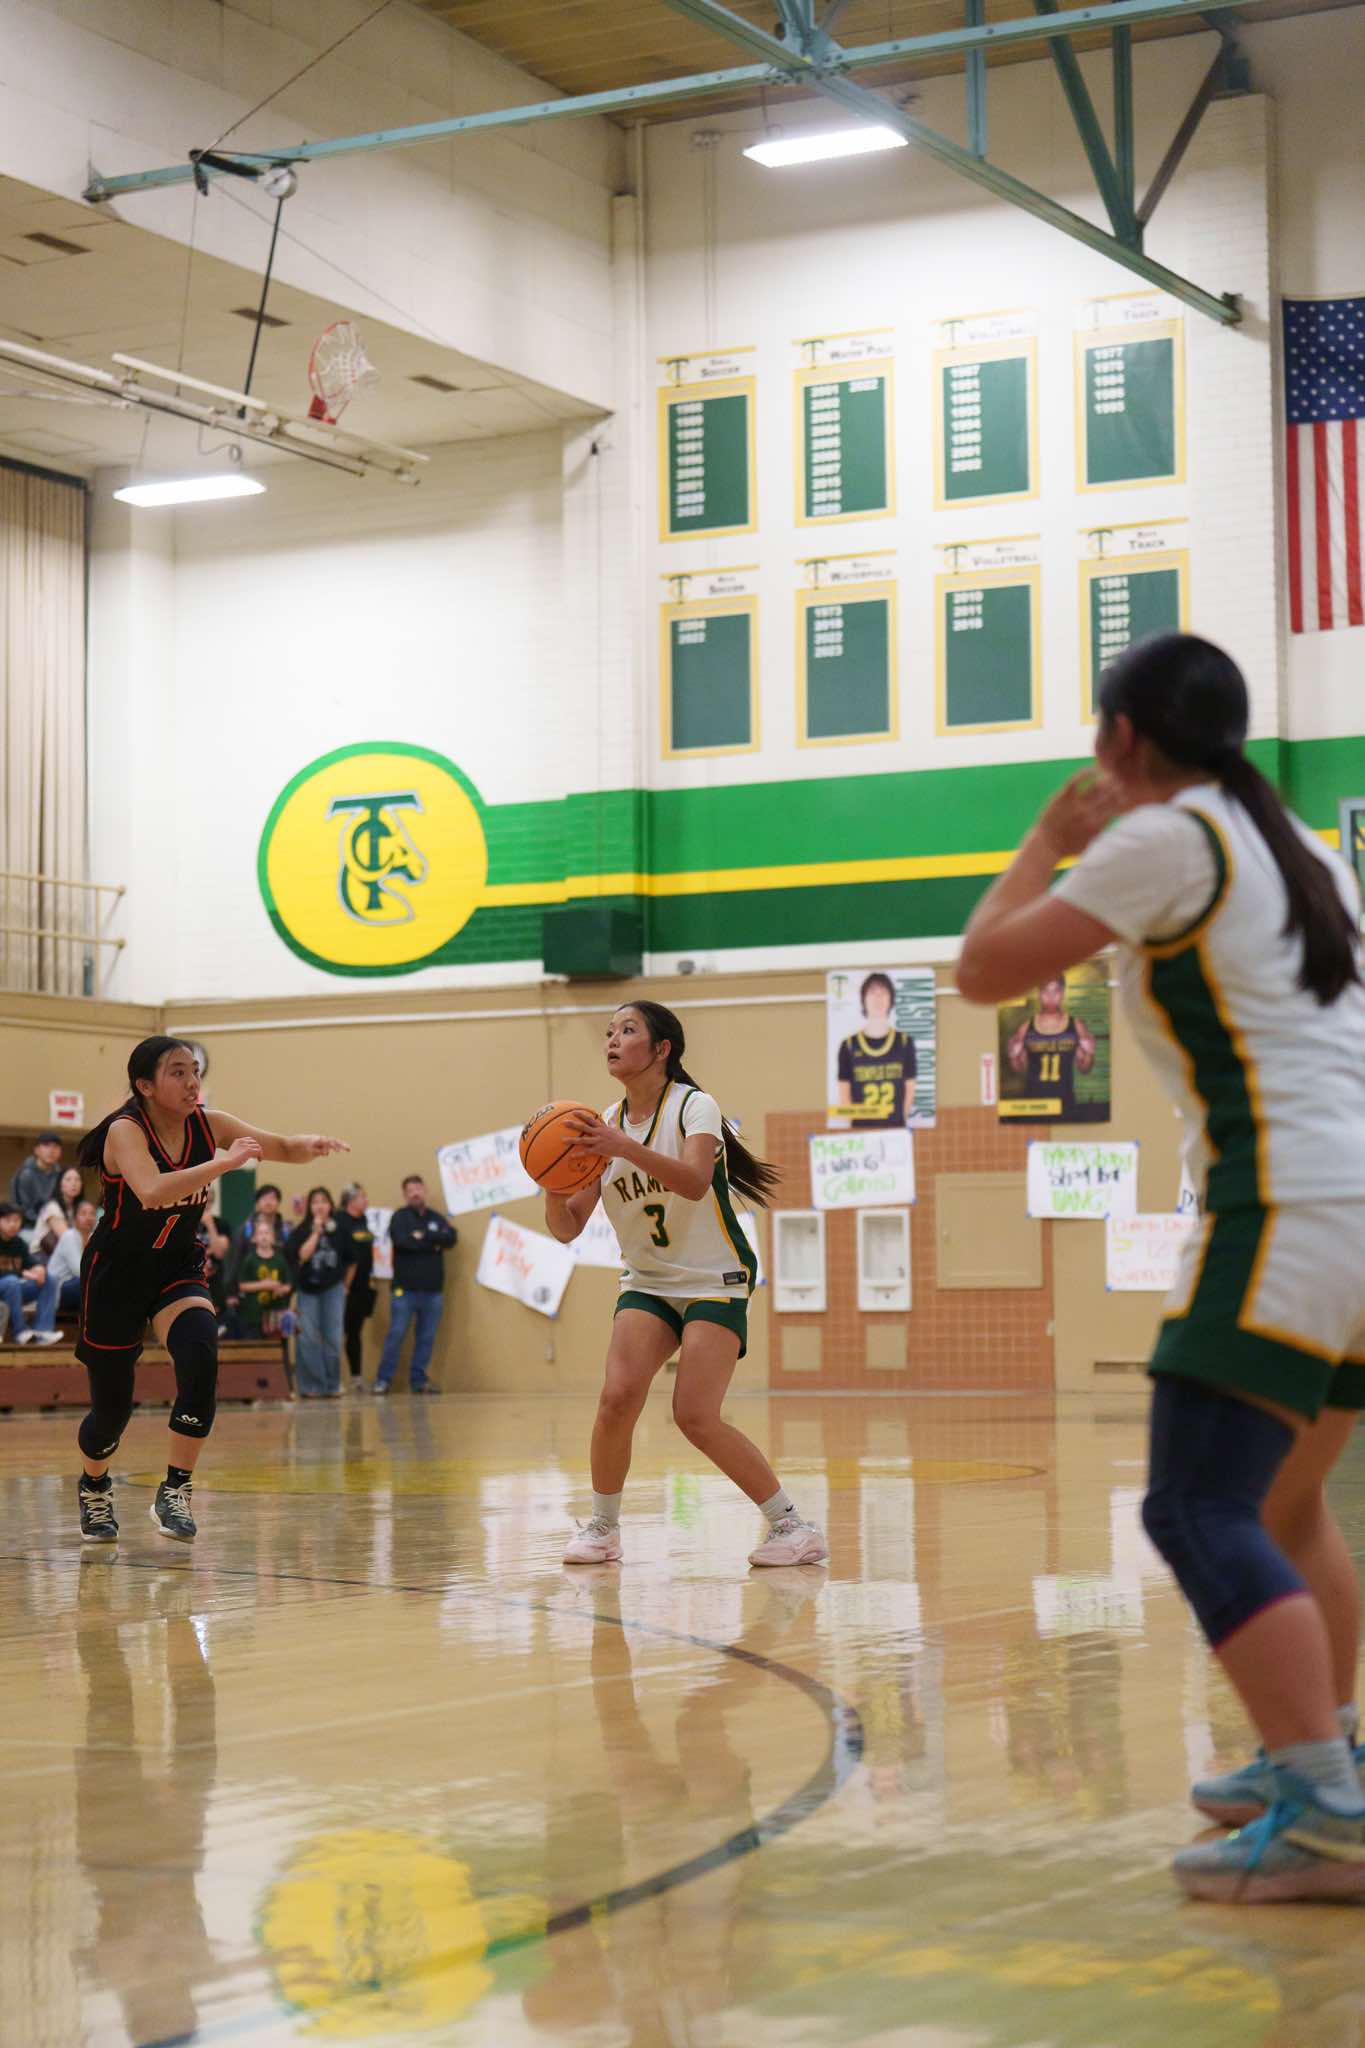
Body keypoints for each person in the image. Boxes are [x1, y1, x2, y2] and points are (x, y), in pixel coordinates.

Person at [956, 631, 1365, 1904]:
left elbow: (981, 970)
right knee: (1287, 1503)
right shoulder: (1307, 849)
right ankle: (1325, 1753)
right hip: (1352, 1201)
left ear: (1120, 738)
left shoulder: (1166, 838)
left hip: (1287, 1198)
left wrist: (1045, 839)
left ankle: (1328, 1808)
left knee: (1194, 1504)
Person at [544, 999, 827, 1570]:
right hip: (648, 1281)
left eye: (627, 1030)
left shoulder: (693, 1107)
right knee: (615, 1399)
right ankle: (603, 1528)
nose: (612, 1040)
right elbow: (568, 1228)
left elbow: (696, 1182)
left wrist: (624, 1148)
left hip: (714, 1278)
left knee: (694, 1414)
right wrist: (550, 1180)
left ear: (661, 1049)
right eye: (609, 1031)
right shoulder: (605, 1123)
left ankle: (793, 1526)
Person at [73, 1036, 348, 1546]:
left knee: (200, 1357)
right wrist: (224, 1164)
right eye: (177, 1072)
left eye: (194, 1071)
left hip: (176, 1265)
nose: (191, 1081)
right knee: (112, 1412)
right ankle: (94, 1485)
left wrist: (307, 1145)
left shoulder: (210, 1124)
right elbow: (152, 1191)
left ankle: (175, 1489)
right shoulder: (125, 1130)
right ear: (145, 1086)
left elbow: (278, 1147)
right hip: (116, 1274)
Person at [373, 1176, 456, 1396]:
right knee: (396, 1334)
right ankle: (383, 1380)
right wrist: (433, 1243)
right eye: (410, 1190)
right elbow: (402, 1241)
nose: (415, 1193)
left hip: (432, 1292)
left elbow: (451, 1238)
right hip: (405, 1291)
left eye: (418, 1188)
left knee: (426, 1338)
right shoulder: (399, 1218)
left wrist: (424, 1235)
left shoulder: (436, 1218)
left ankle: (419, 1381)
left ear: (424, 1190)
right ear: (405, 1195)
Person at [834, 971, 918, 1129]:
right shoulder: (849, 1046)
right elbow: (844, 1097)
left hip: (894, 1130)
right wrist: (857, 1128)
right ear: (863, 999)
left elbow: (910, 1091)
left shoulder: (905, 1043)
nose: (878, 998)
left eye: (883, 992)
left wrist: (898, 1123)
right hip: (862, 1131)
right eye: (872, 992)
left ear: (891, 999)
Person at [1005, 976, 1096, 1119]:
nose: (1050, 996)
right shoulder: (1026, 1027)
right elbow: (1018, 1068)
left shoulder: (1076, 1026)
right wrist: (1013, 1056)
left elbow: (1085, 1069)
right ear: (1039, 994)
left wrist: (1090, 1053)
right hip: (1033, 1105)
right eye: (1045, 991)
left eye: (1056, 991)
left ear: (1062, 993)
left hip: (1065, 1104)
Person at [286, 1188, 347, 1398]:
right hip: (307, 1289)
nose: (320, 1206)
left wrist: (345, 1286)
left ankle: (332, 1384)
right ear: (309, 1207)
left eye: (324, 1201)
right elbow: (302, 1256)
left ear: (331, 1205)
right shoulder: (302, 1230)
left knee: (333, 1338)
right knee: (308, 1337)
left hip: (334, 1289)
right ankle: (312, 1386)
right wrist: (316, 1232)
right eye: (315, 1202)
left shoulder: (339, 1229)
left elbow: (351, 1260)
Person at [0, 1201, 61, 1344]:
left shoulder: (19, 1243)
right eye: (8, 1220)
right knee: (12, 1281)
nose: (13, 1224)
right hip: (7, 1286)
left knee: (50, 1279)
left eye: (16, 1220)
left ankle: (43, 1331)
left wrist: (39, 1268)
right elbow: (19, 1274)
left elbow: (31, 1262)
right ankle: (20, 1331)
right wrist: (22, 1274)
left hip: (13, 1289)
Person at [334, 1182, 375, 1387]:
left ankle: (356, 1377)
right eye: (362, 1197)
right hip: (344, 1287)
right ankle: (332, 1378)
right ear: (351, 1200)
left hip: (362, 1287)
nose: (366, 1200)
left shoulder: (364, 1220)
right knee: (336, 1332)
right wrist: (344, 1285)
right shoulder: (339, 1220)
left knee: (355, 1333)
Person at [235, 1215, 292, 1341]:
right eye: (260, 1233)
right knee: (255, 1348)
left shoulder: (280, 1260)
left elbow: (288, 1285)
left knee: (277, 1348)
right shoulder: (249, 1260)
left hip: (275, 1315)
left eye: (267, 1233)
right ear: (254, 1238)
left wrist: (281, 1289)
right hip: (254, 1315)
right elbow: (242, 1286)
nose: (264, 1236)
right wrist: (265, 1285)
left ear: (273, 1237)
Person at [49, 1195, 98, 1317]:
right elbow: (78, 1271)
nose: (88, 1217)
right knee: (89, 1284)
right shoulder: (69, 1236)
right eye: (83, 1213)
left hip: (81, 1285)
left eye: (92, 1214)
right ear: (75, 1219)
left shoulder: (94, 1238)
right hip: (59, 1289)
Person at [11, 1131, 63, 1232]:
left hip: (55, 1226)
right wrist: (46, 1223)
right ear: (37, 1150)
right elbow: (24, 1209)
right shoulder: (25, 1174)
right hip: (28, 1228)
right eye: (46, 1146)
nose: (51, 1150)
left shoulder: (61, 1175)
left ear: (60, 1152)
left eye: (56, 1147)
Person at [31, 1164, 86, 1258]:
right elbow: (67, 1239)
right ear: (60, 1184)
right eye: (68, 1179)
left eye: (77, 1180)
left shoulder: (78, 1208)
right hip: (41, 1255)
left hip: (64, 1253)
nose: (74, 1183)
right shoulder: (52, 1207)